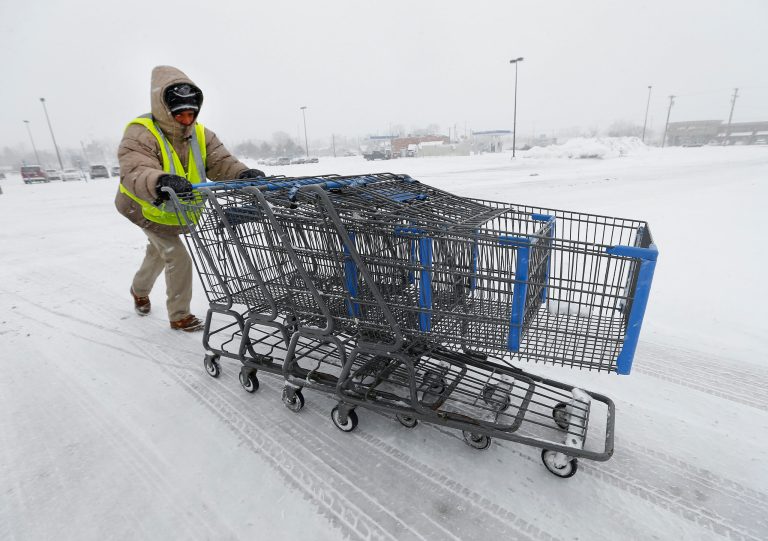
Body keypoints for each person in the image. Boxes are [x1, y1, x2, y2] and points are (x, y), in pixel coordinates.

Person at [115, 65, 264, 331]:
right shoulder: (141, 133)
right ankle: (179, 314)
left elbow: (222, 162)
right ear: (164, 109)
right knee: (176, 254)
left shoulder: (201, 135)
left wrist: (242, 174)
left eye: (191, 113)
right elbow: (135, 169)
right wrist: (160, 181)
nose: (186, 119)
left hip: (175, 209)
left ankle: (138, 290)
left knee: (158, 253)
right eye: (180, 114)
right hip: (144, 205)